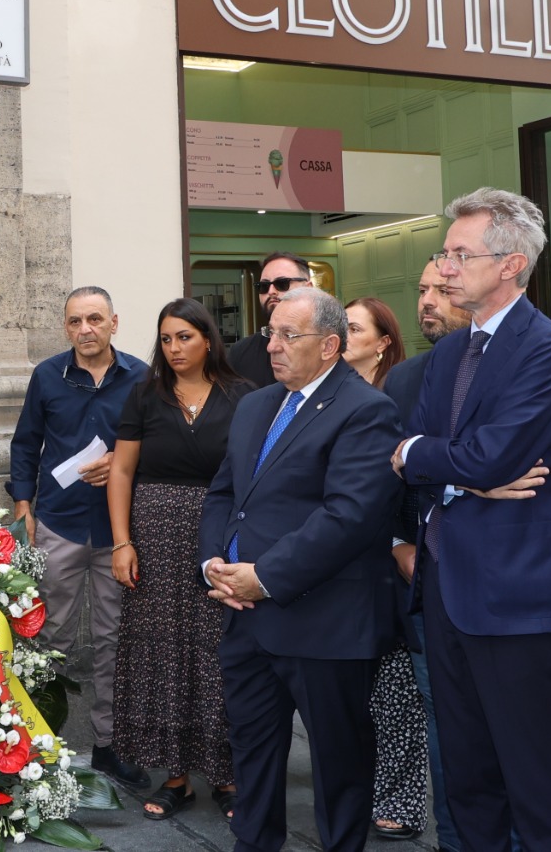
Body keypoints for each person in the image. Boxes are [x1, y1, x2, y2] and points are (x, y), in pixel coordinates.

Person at [392, 187, 551, 852]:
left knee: (533, 778)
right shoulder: (447, 352)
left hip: (518, 600)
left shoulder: (548, 349)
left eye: (458, 254)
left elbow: (489, 454)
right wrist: (465, 480)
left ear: (509, 264)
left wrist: (441, 463)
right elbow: (422, 457)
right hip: (446, 590)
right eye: (444, 254)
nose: (444, 267)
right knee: (468, 775)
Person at [201, 288, 404, 852]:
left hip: (324, 620)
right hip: (245, 617)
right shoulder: (256, 404)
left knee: (339, 760)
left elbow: (350, 516)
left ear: (331, 345)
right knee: (252, 752)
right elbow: (224, 495)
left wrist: (263, 576)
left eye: (290, 336)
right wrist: (214, 562)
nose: (274, 346)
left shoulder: (365, 409)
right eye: (271, 333)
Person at [107, 298, 254, 821]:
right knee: (162, 654)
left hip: (220, 534)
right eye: (166, 339)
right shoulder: (144, 394)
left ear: (209, 339)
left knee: (220, 654)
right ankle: (176, 777)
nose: (174, 349)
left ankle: (229, 775)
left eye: (185, 338)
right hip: (154, 536)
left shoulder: (243, 395)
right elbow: (121, 472)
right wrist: (123, 542)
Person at [8, 286, 149, 787]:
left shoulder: (142, 377)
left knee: (116, 640)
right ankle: (36, 745)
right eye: (74, 322)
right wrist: (23, 504)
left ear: (114, 322)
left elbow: (162, 440)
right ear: (65, 328)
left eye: (94, 319)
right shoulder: (47, 375)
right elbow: (26, 442)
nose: (84, 330)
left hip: (120, 532)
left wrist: (121, 461)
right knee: (49, 638)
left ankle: (111, 746)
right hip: (60, 525)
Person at [383, 260, 472, 852]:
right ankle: (455, 837)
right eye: (421, 291)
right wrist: (398, 544)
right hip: (425, 578)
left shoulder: (519, 367)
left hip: (501, 581)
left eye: (442, 290)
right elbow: (385, 476)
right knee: (442, 717)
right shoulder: (403, 380)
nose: (428, 302)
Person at [343, 294, 419, 842]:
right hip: (341, 562)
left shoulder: (401, 394)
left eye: (352, 328)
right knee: (351, 691)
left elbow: (407, 482)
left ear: (382, 341)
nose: (341, 336)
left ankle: (402, 797)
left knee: (395, 690)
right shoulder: (330, 396)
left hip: (389, 557)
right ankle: (361, 787)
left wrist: (398, 540)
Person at [228, 252, 313, 390]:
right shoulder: (241, 353)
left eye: (282, 283)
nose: (271, 291)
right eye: (264, 286)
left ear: (308, 288)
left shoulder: (326, 346)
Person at [344, 296, 406, 390]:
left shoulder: (396, 386)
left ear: (382, 343)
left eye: (354, 329)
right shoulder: (327, 382)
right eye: (340, 327)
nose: (342, 336)